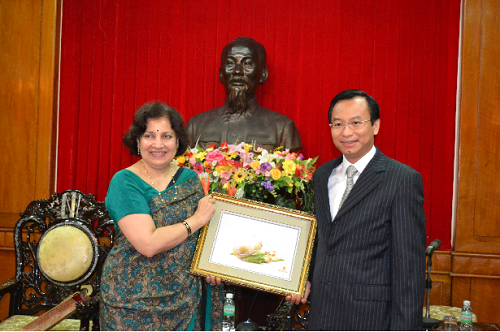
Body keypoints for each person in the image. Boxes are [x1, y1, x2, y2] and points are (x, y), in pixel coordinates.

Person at [288, 89, 426, 330]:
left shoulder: (402, 179)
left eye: (356, 123)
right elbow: (322, 239)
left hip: (371, 318)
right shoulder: (322, 176)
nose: (347, 132)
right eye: (338, 124)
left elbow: (409, 271)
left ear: (375, 126)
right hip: (321, 314)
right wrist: (305, 277)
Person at [100, 102, 224, 331]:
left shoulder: (189, 179)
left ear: (178, 142)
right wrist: (195, 220)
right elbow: (148, 244)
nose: (158, 144)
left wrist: (213, 267)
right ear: (137, 141)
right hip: (131, 303)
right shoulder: (124, 182)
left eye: (167, 136)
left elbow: (203, 239)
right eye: (149, 136)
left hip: (184, 299)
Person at [187, 36, 302, 152]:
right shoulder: (195, 126)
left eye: (247, 64)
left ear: (263, 74)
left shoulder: (282, 128)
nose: (237, 71)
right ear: (221, 74)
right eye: (230, 64)